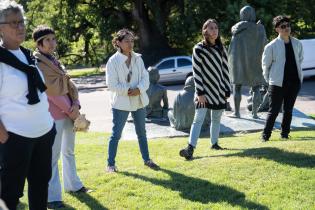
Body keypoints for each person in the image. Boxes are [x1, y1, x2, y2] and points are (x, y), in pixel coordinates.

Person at [0, 1, 56, 210]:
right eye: (13, 23)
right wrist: (4, 136)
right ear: (0, 28)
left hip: (43, 134)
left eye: (21, 22)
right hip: (16, 138)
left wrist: (49, 126)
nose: (20, 27)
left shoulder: (27, 56)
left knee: (40, 188)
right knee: (10, 195)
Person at [32, 25, 91, 209]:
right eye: (47, 40)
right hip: (54, 115)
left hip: (68, 112)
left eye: (53, 39)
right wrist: (73, 112)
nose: (52, 43)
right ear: (39, 44)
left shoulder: (54, 61)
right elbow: (52, 94)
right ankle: (51, 197)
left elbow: (68, 85)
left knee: (69, 151)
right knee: (52, 156)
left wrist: (76, 104)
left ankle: (73, 185)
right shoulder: (39, 64)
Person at [106, 29, 159, 172]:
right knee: (116, 134)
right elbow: (111, 84)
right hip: (121, 102)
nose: (130, 44)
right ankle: (110, 164)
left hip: (138, 99)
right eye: (127, 41)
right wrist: (129, 90)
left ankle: (147, 160)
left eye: (132, 41)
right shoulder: (113, 61)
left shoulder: (138, 58)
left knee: (142, 133)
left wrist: (139, 89)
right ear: (118, 43)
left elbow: (145, 78)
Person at [179, 19, 231, 160]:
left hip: (219, 91)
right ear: (205, 31)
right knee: (198, 119)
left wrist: (227, 88)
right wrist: (200, 93)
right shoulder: (199, 49)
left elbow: (225, 69)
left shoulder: (221, 47)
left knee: (216, 119)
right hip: (204, 92)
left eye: (216, 28)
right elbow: (197, 72)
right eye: (211, 28)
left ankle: (214, 144)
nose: (214, 30)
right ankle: (190, 148)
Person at [261, 15, 303, 141]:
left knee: (288, 110)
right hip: (277, 84)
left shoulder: (297, 43)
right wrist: (270, 81)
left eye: (288, 25)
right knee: (273, 111)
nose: (286, 28)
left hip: (294, 82)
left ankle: (284, 134)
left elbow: (300, 60)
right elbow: (265, 66)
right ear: (277, 29)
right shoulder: (271, 46)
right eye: (283, 26)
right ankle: (265, 136)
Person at [228, 5, 267, 118]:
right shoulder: (260, 28)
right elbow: (265, 44)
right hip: (256, 63)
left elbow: (233, 49)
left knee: (237, 87)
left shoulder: (237, 29)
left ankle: (237, 112)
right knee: (256, 88)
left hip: (240, 63)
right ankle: (254, 114)